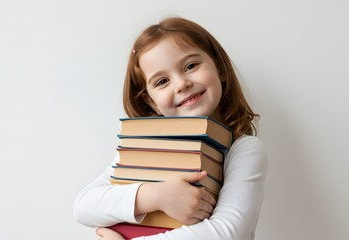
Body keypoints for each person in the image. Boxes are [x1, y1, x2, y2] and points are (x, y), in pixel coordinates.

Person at [73, 16, 267, 240]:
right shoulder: (143, 148)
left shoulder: (243, 149)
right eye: (162, 81)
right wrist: (156, 196)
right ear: (151, 101)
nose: (181, 84)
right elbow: (83, 206)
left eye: (191, 66)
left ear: (219, 68)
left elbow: (227, 232)